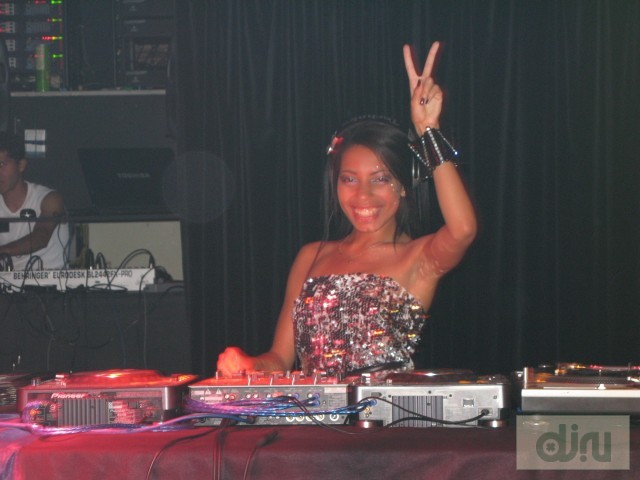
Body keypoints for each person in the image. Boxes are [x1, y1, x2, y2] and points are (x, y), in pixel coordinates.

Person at [217, 41, 476, 378]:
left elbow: (463, 229)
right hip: (313, 410)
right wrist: (247, 363)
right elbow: (279, 359)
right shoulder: (311, 256)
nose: (362, 195)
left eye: (380, 179)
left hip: (382, 409)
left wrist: (429, 132)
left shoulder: (419, 258)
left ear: (403, 185)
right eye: (349, 179)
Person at [0, 131, 69, 270]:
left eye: (1, 164)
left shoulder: (50, 199)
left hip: (50, 281)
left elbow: (41, 237)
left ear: (21, 165)